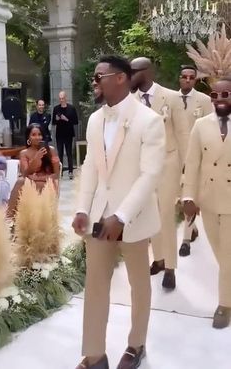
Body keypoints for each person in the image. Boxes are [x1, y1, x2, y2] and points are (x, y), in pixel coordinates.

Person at [72, 55, 165, 369]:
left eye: (99, 76)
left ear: (121, 78)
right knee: (95, 285)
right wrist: (83, 208)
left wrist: (121, 216)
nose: (94, 82)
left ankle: (136, 345)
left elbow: (150, 174)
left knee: (139, 285)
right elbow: (90, 169)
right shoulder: (95, 120)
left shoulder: (148, 120)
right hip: (99, 218)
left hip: (134, 220)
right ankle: (95, 355)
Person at [183, 77, 231, 329]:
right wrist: (188, 196)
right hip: (209, 199)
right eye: (215, 95)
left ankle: (224, 304)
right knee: (220, 254)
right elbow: (192, 164)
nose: (220, 100)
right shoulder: (201, 125)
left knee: (228, 255)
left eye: (225, 94)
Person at [130, 57, 180, 290]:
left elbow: (184, 134)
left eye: (134, 71)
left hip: (169, 164)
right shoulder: (131, 101)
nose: (129, 76)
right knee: (151, 215)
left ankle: (170, 267)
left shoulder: (170, 97)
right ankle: (158, 259)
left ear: (146, 72)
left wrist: (186, 170)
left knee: (167, 216)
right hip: (145, 168)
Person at [172, 65, 213, 257]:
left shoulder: (204, 101)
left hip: (197, 157)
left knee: (190, 196)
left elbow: (210, 127)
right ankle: (193, 228)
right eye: (184, 77)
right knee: (179, 198)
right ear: (179, 79)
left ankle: (186, 240)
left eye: (191, 77)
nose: (187, 80)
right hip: (175, 156)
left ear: (195, 80)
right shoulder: (170, 99)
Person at [7, 124, 60, 218]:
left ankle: (9, 218)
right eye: (34, 135)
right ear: (28, 137)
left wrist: (39, 178)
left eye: (40, 134)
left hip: (48, 183)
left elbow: (56, 175)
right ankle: (10, 219)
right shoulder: (24, 153)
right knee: (20, 181)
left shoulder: (51, 151)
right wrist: (36, 159)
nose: (37, 137)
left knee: (22, 182)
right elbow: (25, 174)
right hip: (31, 183)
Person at [52, 91, 78, 179]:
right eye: (60, 98)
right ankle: (60, 171)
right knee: (60, 153)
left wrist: (66, 119)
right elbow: (53, 122)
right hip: (59, 134)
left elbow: (75, 121)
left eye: (62, 98)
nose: (61, 100)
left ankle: (70, 171)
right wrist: (56, 119)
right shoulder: (56, 108)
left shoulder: (71, 108)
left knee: (69, 153)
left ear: (65, 98)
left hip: (68, 134)